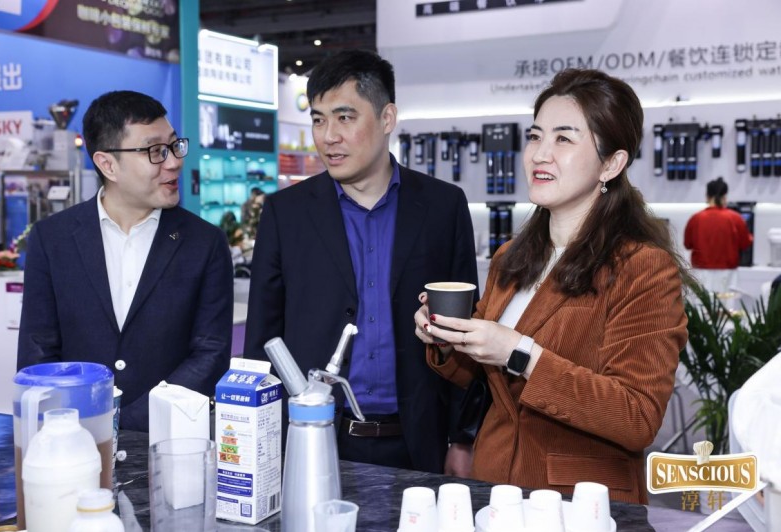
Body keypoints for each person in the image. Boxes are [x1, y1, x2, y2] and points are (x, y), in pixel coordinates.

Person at [415, 69, 689, 504]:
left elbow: (637, 416)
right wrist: (449, 339)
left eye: (564, 139)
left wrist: (521, 354)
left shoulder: (642, 268)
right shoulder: (512, 257)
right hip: (495, 489)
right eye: (535, 136)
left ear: (612, 164)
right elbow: (482, 376)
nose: (540, 154)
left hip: (580, 502)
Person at [244, 50, 478, 474]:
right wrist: (262, 442)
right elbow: (262, 339)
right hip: (312, 441)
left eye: (345, 117)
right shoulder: (286, 213)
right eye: (318, 120)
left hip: (419, 443)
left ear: (387, 118)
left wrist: (463, 437)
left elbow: (465, 331)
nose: (328, 136)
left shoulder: (443, 207)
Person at [17, 90, 233, 432]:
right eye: (155, 151)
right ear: (108, 164)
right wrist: (77, 426)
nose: (174, 162)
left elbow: (211, 353)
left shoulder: (204, 242)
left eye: (174, 145)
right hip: (75, 437)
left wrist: (125, 422)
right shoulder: (53, 238)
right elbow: (38, 351)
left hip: (170, 438)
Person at [684, 177, 753, 293]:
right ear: (724, 197)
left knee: (701, 303)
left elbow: (687, 244)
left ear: (707, 196)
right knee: (727, 303)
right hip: (728, 273)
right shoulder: (735, 218)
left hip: (701, 272)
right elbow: (745, 243)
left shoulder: (696, 219)